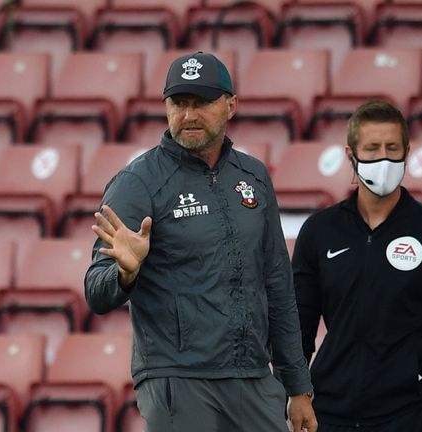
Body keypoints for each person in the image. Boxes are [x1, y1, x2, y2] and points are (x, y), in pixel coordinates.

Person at [84, 51, 317, 432]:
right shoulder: (136, 183)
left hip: (253, 377)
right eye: (179, 103)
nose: (189, 115)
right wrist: (125, 274)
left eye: (202, 103)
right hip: (178, 379)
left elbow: (278, 285)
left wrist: (298, 386)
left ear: (231, 105)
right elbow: (95, 291)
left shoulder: (254, 177)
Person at [293, 99, 422, 431]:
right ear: (351, 155)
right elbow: (298, 324)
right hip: (330, 410)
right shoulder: (319, 231)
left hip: (409, 412)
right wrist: (295, 392)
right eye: (371, 148)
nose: (383, 158)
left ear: (406, 153)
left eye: (391, 147)